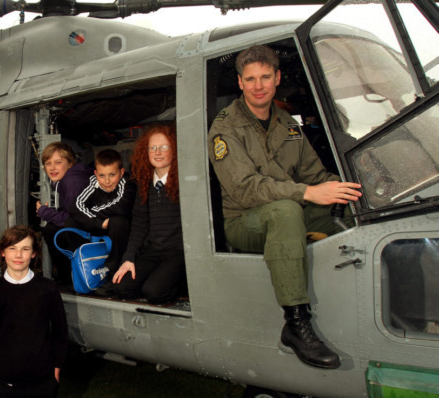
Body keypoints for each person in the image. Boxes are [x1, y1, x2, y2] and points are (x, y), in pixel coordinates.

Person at [207, 45, 362, 369]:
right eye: (250, 79)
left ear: (277, 78)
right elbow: (245, 188)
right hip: (244, 220)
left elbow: (315, 175)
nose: (258, 85)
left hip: (292, 204)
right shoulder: (225, 128)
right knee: (286, 211)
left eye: (265, 77)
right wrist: (308, 192)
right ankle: (295, 322)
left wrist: (351, 188)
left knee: (352, 206)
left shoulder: (287, 123)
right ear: (240, 83)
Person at [0, 225, 69, 398]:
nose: (18, 255)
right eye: (12, 248)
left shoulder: (48, 289)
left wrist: (55, 373)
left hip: (43, 384)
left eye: (25, 249)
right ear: (2, 252)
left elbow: (60, 334)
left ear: (33, 253)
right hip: (2, 385)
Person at [112, 123, 186, 304]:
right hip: (153, 251)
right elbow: (139, 225)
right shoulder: (144, 183)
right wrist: (129, 258)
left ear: (174, 149)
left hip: (179, 251)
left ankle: (181, 283)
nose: (157, 152)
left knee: (154, 292)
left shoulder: (185, 180)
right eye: (152, 148)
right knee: (122, 287)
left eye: (163, 147)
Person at [65, 149, 137, 295]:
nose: (107, 181)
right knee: (70, 223)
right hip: (100, 226)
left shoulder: (127, 183)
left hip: (122, 234)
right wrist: (98, 223)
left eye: (112, 174)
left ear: (121, 172)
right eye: (102, 175)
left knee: (118, 221)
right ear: (96, 174)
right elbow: (76, 206)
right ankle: (83, 272)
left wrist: (92, 214)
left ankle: (111, 275)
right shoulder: (94, 183)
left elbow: (121, 207)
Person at [36, 142, 92, 283]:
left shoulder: (72, 181)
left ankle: (69, 278)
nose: (52, 168)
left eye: (58, 162)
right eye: (48, 164)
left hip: (91, 231)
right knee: (52, 228)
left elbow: (75, 218)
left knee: (50, 230)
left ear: (70, 163)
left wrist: (44, 212)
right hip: (87, 228)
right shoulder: (69, 178)